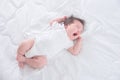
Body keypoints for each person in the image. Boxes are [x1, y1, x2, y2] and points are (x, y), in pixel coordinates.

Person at [16, 15, 85, 69]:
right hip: (35, 43)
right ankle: (20, 54)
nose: (79, 31)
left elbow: (74, 51)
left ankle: (24, 59)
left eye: (80, 32)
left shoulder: (68, 42)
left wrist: (79, 41)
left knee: (41, 63)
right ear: (67, 25)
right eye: (77, 27)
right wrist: (62, 19)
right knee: (24, 44)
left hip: (41, 55)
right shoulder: (59, 28)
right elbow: (52, 22)